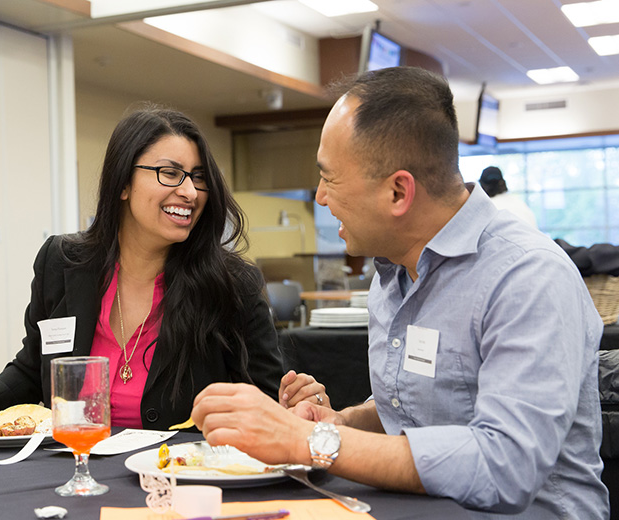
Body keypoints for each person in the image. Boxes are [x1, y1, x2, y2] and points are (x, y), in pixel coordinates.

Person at [192, 67, 609, 518]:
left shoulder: (527, 276)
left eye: (329, 179)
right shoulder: (393, 273)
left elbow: (503, 467)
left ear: (398, 192)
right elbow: (426, 408)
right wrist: (341, 422)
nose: (320, 197)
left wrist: (310, 442)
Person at [0, 104, 284, 430]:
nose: (190, 192)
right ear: (122, 184)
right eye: (170, 173)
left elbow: (268, 400)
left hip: (181, 478)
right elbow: (32, 372)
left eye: (198, 177)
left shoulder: (233, 283)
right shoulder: (62, 263)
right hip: (75, 471)